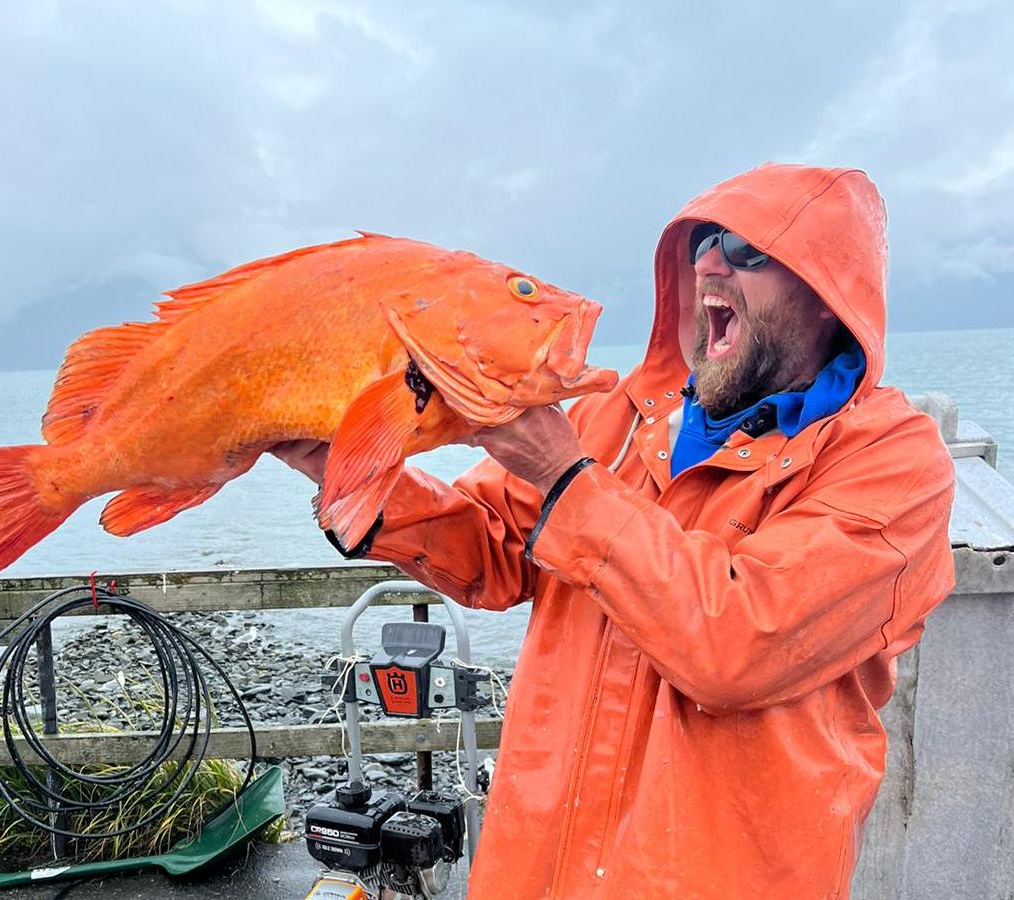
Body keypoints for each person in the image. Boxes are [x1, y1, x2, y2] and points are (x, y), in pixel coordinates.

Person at [274, 163, 956, 899]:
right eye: (701, 244)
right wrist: (354, 477)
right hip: (536, 863)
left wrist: (568, 478)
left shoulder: (893, 463)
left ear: (829, 295)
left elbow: (741, 643)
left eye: (747, 249)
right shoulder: (620, 416)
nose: (709, 262)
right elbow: (497, 550)